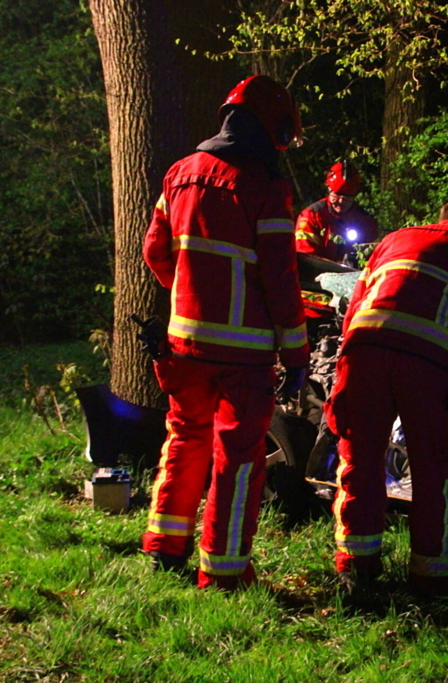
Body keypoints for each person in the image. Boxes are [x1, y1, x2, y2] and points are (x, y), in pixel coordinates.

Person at [141, 75, 310, 591]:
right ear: (270, 128)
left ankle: (165, 550)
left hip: (183, 344)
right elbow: (281, 278)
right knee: (237, 460)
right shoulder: (266, 188)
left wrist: (188, 294)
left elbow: (155, 251)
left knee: (184, 439)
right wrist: (296, 350)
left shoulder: (179, 174)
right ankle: (224, 571)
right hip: (245, 355)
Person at [324, 197, 448, 597]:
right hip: (429, 364)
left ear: (441, 219)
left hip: (365, 353)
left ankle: (356, 571)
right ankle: (431, 583)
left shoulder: (395, 239)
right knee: (435, 470)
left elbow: (356, 305)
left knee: (359, 460)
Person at [295, 160, 379, 263]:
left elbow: (374, 256)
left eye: (347, 197)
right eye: (337, 195)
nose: (341, 201)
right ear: (328, 189)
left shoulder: (365, 220)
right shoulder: (312, 216)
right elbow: (305, 257)